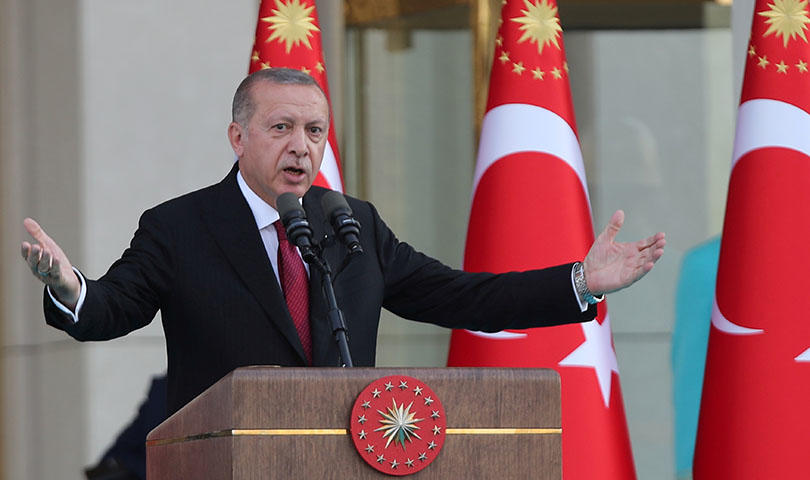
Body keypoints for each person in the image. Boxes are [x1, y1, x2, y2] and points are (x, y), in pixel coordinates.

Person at [21, 68, 666, 415]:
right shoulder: (179, 227)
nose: (301, 146)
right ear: (237, 138)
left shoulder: (348, 222)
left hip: (352, 455)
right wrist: (69, 286)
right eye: (281, 127)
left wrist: (578, 282)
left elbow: (460, 297)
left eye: (315, 130)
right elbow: (112, 310)